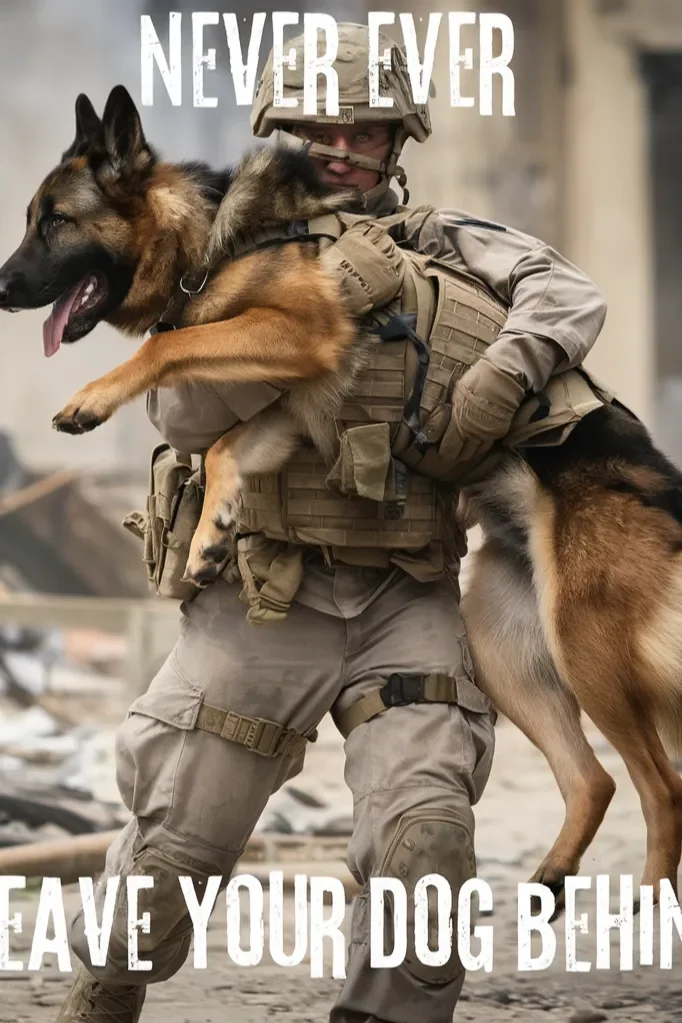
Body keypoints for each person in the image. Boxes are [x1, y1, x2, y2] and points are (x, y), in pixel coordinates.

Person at [55, 23, 607, 1023]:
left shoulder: (442, 243)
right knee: (167, 863)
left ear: (399, 140)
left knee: (424, 844)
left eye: (366, 130)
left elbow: (566, 298)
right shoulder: (223, 251)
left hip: (407, 593)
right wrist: (297, 323)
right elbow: (178, 413)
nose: (343, 149)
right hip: (261, 594)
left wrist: (492, 378)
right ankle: (101, 997)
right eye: (318, 130)